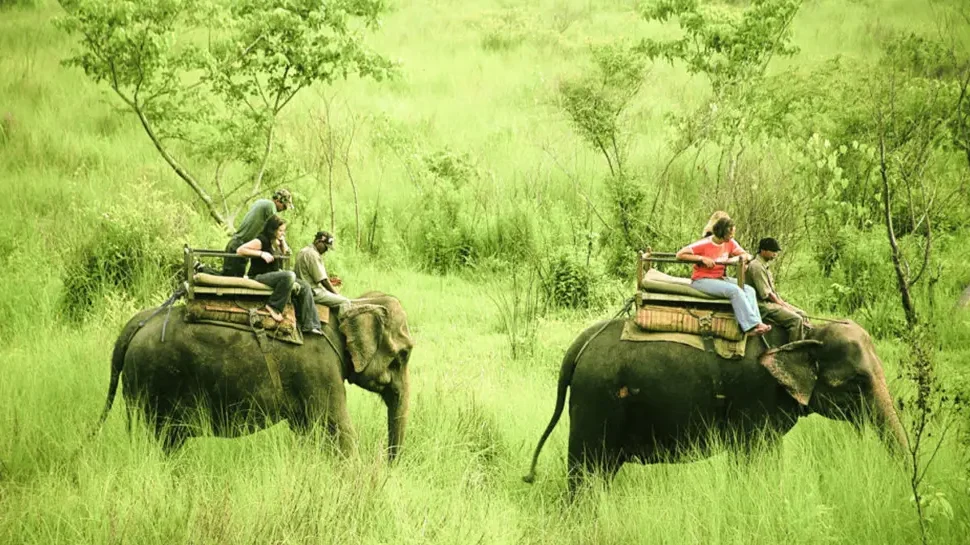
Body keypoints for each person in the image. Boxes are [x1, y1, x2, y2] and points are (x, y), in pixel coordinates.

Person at [675, 217, 772, 337]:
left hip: (719, 277)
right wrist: (701, 258)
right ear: (722, 232)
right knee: (735, 291)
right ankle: (749, 327)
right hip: (702, 280)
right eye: (730, 233)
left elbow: (745, 254)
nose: (733, 236)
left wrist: (735, 259)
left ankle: (757, 323)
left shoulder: (730, 243)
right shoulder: (704, 243)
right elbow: (679, 255)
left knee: (749, 289)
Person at [236, 214, 323, 335]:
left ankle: (311, 324)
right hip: (259, 275)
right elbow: (240, 250)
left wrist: (283, 242)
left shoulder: (276, 241)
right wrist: (261, 254)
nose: (283, 233)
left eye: (284, 231)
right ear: (273, 229)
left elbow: (286, 253)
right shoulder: (262, 240)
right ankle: (273, 306)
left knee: (305, 286)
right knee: (289, 276)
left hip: (273, 274)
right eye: (280, 230)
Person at [745, 237, 811, 341]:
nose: (775, 254)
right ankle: (794, 351)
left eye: (776, 252)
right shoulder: (756, 267)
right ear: (763, 251)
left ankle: (803, 341)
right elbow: (766, 294)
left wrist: (783, 303)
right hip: (762, 304)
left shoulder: (764, 265)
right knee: (796, 320)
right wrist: (782, 304)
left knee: (803, 314)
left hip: (770, 302)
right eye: (773, 251)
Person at [221, 189, 294, 277]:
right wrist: (283, 244)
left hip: (235, 242)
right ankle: (203, 270)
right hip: (240, 245)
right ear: (278, 201)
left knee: (227, 277)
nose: (284, 210)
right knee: (232, 281)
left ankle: (203, 270)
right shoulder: (271, 206)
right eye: (284, 206)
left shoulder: (260, 202)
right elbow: (275, 227)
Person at [295, 231, 353, 313]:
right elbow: (324, 281)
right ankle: (345, 325)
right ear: (318, 241)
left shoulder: (303, 251)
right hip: (313, 292)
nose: (326, 250)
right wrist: (336, 294)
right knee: (345, 302)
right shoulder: (313, 254)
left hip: (303, 288)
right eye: (325, 247)